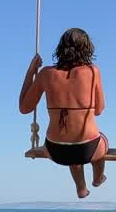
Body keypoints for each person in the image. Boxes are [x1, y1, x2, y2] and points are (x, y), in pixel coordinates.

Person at [19, 28, 109, 199]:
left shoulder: (46, 73)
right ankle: (97, 178)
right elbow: (99, 110)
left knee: (70, 144)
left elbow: (24, 108)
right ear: (87, 48)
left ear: (61, 48)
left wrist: (31, 71)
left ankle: (81, 188)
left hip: (56, 150)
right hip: (87, 148)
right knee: (99, 140)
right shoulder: (92, 71)